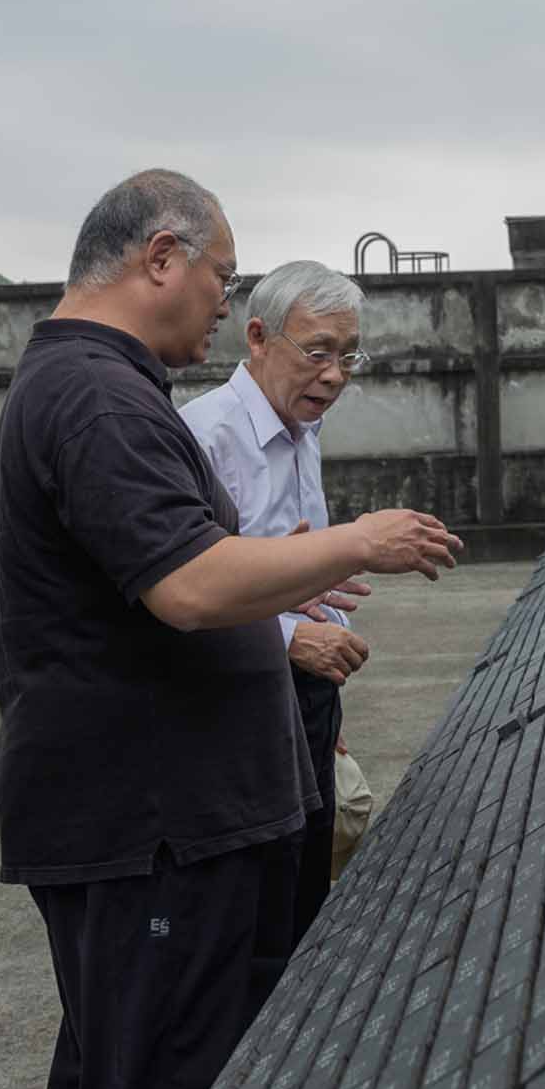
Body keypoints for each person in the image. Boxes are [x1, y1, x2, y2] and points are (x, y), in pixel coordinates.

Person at [0, 169, 461, 1089]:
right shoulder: (103, 398)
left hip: (145, 816)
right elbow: (191, 586)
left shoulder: (95, 386)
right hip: (152, 826)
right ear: (161, 257)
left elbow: (174, 568)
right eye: (218, 275)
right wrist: (359, 540)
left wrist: (290, 562)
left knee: (112, 1087)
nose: (217, 298)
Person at [180, 260, 371, 943]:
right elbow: (184, 591)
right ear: (257, 337)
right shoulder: (203, 437)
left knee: (305, 891)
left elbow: (300, 570)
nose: (335, 374)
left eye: (349, 356)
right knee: (253, 907)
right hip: (236, 702)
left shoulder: (303, 430)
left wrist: (320, 705)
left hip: (306, 691)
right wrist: (291, 640)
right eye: (318, 352)